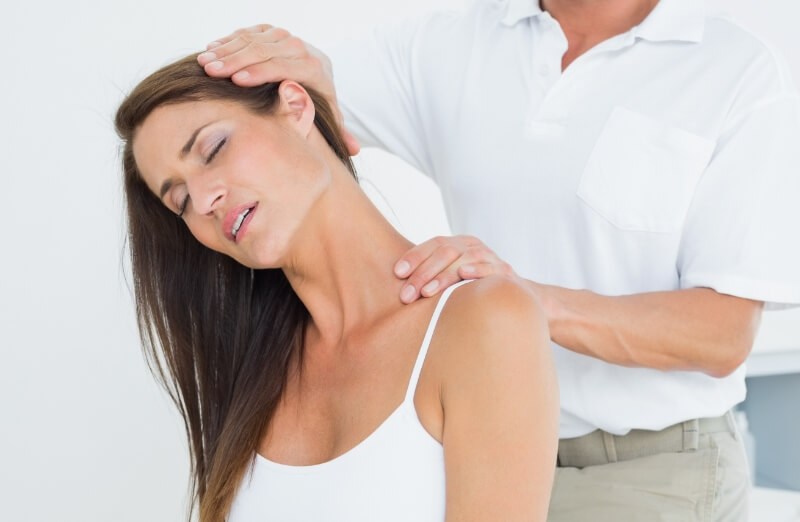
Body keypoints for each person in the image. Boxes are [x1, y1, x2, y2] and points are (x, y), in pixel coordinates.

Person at [198, 0, 800, 520]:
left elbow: (720, 336)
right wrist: (263, 63)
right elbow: (286, 103)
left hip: (645, 467)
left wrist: (514, 300)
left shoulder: (735, 69)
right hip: (471, 455)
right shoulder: (453, 43)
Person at [115, 55, 559, 522]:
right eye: (181, 200)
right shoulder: (252, 372)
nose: (205, 200)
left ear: (295, 106)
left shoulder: (484, 321)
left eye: (213, 149)